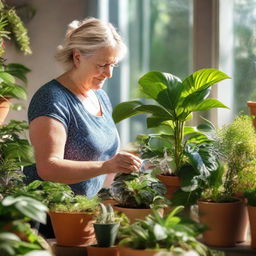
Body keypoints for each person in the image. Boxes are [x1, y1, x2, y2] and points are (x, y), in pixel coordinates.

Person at [23, 17, 142, 237]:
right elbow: (48, 168)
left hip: (83, 213)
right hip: (49, 219)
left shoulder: (100, 96)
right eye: (102, 65)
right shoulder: (52, 99)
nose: (109, 73)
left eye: (113, 65)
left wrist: (130, 163)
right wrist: (107, 166)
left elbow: (102, 151)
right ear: (77, 57)